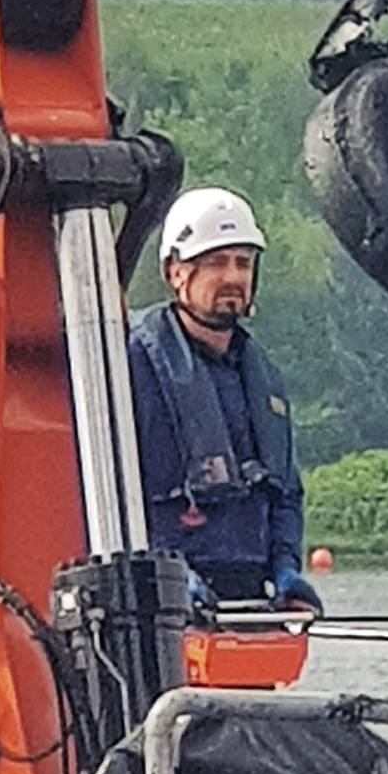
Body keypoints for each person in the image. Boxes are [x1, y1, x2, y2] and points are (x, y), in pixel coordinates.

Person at [128, 187, 322, 615]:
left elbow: (285, 489)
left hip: (251, 600)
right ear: (176, 272)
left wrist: (286, 566)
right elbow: (110, 487)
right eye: (216, 262)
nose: (233, 276)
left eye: (243, 262)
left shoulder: (262, 375)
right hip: (159, 601)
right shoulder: (132, 364)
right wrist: (168, 574)